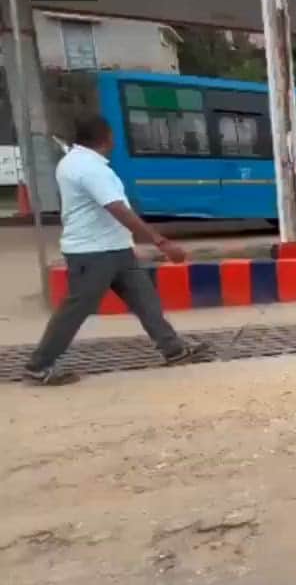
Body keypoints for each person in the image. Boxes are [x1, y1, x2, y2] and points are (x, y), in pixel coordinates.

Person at [24, 117, 209, 386]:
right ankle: (38, 366)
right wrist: (161, 242)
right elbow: (118, 209)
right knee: (77, 308)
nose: (114, 139)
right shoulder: (89, 168)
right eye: (112, 135)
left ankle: (174, 350)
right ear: (104, 138)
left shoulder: (76, 161)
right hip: (94, 252)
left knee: (146, 300)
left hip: (116, 248)